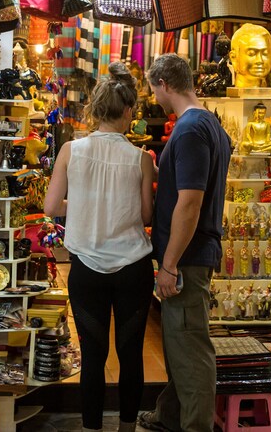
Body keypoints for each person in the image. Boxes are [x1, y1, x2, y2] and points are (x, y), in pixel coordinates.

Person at [44, 62, 156, 432]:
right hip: (132, 269)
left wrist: (84, 206)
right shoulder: (141, 158)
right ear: (128, 112)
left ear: (93, 109)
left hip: (86, 270)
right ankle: (126, 428)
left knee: (93, 357)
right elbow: (144, 214)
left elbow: (50, 208)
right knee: (131, 354)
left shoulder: (70, 151)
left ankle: (92, 429)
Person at [139, 54, 231, 432]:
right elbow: (189, 183)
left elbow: (191, 202)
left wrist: (169, 264)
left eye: (151, 87)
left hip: (188, 256)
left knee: (190, 346)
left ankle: (194, 427)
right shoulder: (207, 123)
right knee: (181, 342)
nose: (151, 95)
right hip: (192, 253)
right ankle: (169, 416)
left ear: (164, 84)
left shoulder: (191, 129)